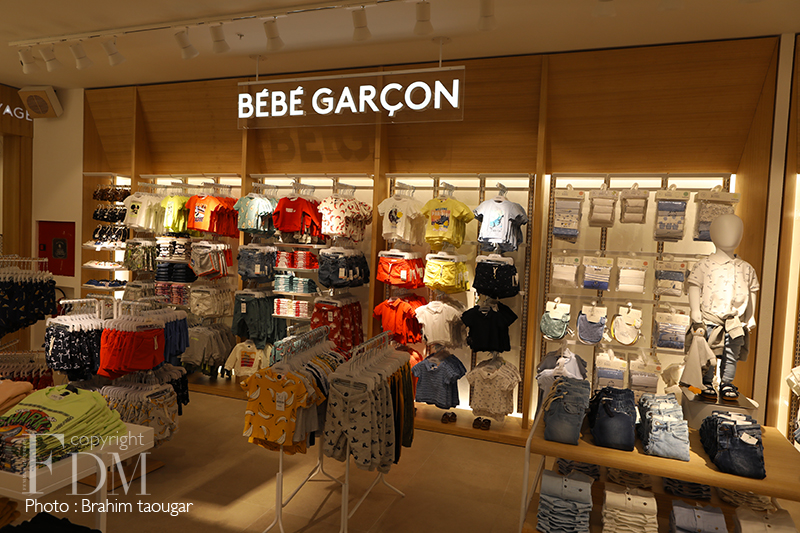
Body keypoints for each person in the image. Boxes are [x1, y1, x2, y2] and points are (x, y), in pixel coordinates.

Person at [687, 214, 759, 402]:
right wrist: (695, 312)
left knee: (731, 354)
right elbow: (694, 286)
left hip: (735, 321)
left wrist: (750, 316)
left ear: (741, 235)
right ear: (713, 234)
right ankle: (707, 381)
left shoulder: (746, 268)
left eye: (735, 231)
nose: (730, 235)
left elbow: (752, 291)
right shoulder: (703, 265)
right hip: (710, 319)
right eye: (724, 230)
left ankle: (727, 383)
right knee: (708, 352)